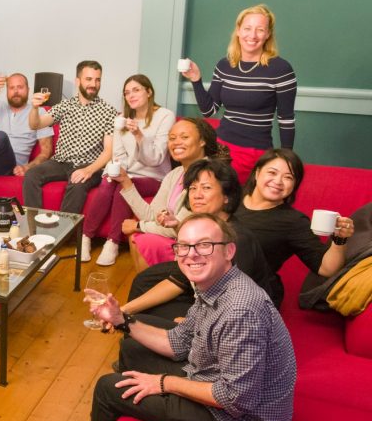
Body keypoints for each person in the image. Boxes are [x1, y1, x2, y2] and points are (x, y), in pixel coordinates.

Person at [51, 213, 297, 421]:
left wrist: (163, 383)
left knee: (109, 389)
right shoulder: (216, 285)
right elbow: (178, 341)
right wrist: (122, 319)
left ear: (229, 251)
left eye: (204, 245)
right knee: (132, 343)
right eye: (184, 246)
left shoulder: (240, 311)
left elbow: (236, 399)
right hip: (216, 379)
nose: (192, 255)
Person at [122, 159, 275, 323]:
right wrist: (123, 310)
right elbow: (180, 280)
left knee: (145, 323)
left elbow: (238, 300)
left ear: (227, 196)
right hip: (203, 295)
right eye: (193, 188)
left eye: (206, 188)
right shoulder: (203, 227)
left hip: (241, 318)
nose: (197, 194)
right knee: (143, 284)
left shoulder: (238, 240)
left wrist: (193, 322)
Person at [182, 4, 296, 180]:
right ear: (238, 31)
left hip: (255, 151)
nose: (252, 35)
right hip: (220, 148)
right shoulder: (224, 65)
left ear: (268, 34)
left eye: (260, 30)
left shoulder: (281, 69)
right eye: (247, 28)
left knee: (237, 203)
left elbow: (286, 118)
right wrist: (196, 80)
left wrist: (287, 159)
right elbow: (209, 110)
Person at [235, 148, 355, 303]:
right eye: (272, 173)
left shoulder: (293, 222)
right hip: (208, 281)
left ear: (294, 185)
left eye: (288, 177)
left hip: (252, 295)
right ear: (257, 173)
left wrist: (340, 239)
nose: (278, 181)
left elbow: (327, 268)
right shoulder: (230, 198)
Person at [81, 75, 174, 266]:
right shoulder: (121, 119)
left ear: (149, 92)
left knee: (124, 184)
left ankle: (112, 242)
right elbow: (118, 153)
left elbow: (155, 159)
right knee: (108, 183)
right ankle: (86, 237)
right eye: (127, 92)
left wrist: (138, 134)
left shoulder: (165, 115)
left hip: (153, 176)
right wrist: (117, 170)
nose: (130, 95)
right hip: (128, 172)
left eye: (136, 90)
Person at [118, 118, 227, 270]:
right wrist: (125, 181)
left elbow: (183, 226)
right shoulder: (175, 174)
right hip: (176, 237)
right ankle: (146, 288)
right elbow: (151, 215)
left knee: (144, 239)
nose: (176, 143)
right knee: (137, 237)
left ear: (202, 141)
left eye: (184, 137)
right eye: (172, 138)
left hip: (198, 244)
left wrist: (137, 225)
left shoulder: (208, 175)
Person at [22, 60, 119, 213]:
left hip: (88, 164)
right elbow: (36, 124)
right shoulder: (65, 106)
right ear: (77, 81)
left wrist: (89, 170)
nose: (93, 84)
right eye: (88, 79)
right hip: (61, 162)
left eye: (97, 79)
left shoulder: (108, 111)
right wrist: (34, 108)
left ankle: (64, 234)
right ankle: (34, 228)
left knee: (77, 183)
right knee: (31, 175)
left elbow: (109, 151)